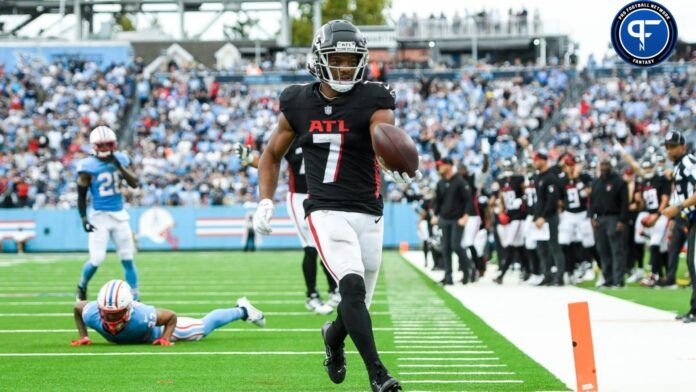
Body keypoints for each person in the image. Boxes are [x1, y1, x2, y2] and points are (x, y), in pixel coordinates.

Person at [253, 20, 413, 391]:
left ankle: (333, 338)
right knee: (352, 289)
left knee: (357, 307)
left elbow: (381, 134)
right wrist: (265, 199)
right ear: (320, 59)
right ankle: (378, 374)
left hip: (369, 212)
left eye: (350, 60)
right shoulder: (297, 101)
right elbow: (271, 154)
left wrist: (394, 161)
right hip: (325, 210)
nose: (343, 67)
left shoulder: (374, 97)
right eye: (336, 59)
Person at [235, 142, 336, 315]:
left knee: (328, 244)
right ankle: (312, 295)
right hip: (299, 197)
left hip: (324, 194)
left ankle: (335, 289)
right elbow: (269, 160)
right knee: (311, 247)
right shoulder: (292, 136)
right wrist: (249, 157)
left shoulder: (324, 131)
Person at [70, 279, 264, 346]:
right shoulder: (91, 312)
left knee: (202, 328)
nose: (110, 317)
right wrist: (84, 336)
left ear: (129, 308)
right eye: (107, 313)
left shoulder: (143, 316)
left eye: (116, 313)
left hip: (157, 331)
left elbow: (171, 316)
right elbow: (77, 308)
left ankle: (242, 310)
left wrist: (165, 337)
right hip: (140, 334)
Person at [75, 126, 140, 302]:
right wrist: (83, 218)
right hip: (99, 217)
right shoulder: (87, 166)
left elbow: (135, 183)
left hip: (119, 216)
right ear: (94, 146)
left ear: (114, 144)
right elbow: (81, 195)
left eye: (108, 144)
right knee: (96, 259)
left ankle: (136, 297)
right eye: (101, 145)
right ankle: (82, 286)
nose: (105, 149)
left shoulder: (121, 159)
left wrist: (117, 165)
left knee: (127, 258)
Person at [661, 132, 696, 322]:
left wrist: (678, 208)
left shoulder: (688, 162)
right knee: (692, 264)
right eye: (667, 146)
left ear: (682, 146)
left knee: (694, 264)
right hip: (690, 218)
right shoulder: (679, 166)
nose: (669, 150)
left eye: (673, 146)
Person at [432, 157, 477, 285]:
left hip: (457, 219)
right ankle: (448, 277)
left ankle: (468, 271)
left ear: (450, 165)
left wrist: (466, 216)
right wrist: (435, 215)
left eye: (442, 165)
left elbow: (469, 200)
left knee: (456, 246)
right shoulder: (440, 183)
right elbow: (438, 201)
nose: (439, 167)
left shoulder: (460, 181)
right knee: (445, 248)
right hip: (444, 219)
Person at [589, 159, 629, 288]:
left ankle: (618, 279)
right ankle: (608, 278)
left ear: (611, 166)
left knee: (616, 250)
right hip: (600, 219)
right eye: (602, 164)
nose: (604, 167)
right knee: (603, 250)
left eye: (606, 164)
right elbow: (592, 201)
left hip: (614, 217)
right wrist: (592, 217)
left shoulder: (619, 182)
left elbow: (624, 203)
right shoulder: (596, 182)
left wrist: (622, 220)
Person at [633, 159, 671, 287]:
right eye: (645, 168)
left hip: (662, 214)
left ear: (653, 167)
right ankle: (665, 277)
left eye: (649, 167)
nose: (647, 170)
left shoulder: (662, 179)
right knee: (662, 247)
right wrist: (638, 200)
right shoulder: (644, 182)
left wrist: (657, 215)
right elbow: (644, 205)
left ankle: (654, 275)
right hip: (651, 215)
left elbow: (665, 199)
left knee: (655, 245)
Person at [557, 155, 594, 283]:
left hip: (583, 213)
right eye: (568, 165)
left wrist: (577, 178)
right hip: (568, 213)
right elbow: (560, 200)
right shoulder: (562, 180)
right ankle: (570, 269)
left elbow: (585, 194)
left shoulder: (584, 177)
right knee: (565, 241)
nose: (570, 168)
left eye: (572, 165)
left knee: (586, 241)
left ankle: (587, 265)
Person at [533, 151, 565, 285]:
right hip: (540, 218)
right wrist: (536, 217)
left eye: (537, 160)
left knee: (554, 247)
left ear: (544, 161)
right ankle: (547, 275)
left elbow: (552, 200)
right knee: (542, 248)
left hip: (550, 217)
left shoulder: (550, 177)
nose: (535, 163)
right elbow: (539, 200)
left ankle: (559, 277)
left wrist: (543, 217)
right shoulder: (538, 177)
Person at [494, 158, 527, 284]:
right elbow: (501, 196)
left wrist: (522, 201)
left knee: (510, 244)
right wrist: (502, 210)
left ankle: (502, 273)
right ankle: (527, 270)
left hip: (518, 216)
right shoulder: (502, 181)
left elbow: (525, 193)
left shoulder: (519, 179)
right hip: (510, 217)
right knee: (518, 246)